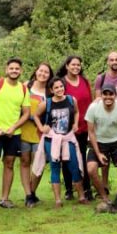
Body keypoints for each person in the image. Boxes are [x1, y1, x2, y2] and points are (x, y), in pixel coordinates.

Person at [0, 58, 31, 211]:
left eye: (17, 69)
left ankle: (4, 198)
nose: (14, 71)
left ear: (21, 71)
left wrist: (14, 127)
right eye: (12, 68)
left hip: (13, 134)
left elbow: (26, 113)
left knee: (9, 164)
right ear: (6, 69)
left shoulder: (23, 89)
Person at [32, 78, 86, 207]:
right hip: (52, 139)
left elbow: (77, 112)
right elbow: (35, 115)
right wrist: (41, 127)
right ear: (51, 90)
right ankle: (57, 200)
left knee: (75, 166)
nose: (59, 89)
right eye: (56, 88)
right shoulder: (47, 103)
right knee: (55, 168)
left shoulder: (71, 100)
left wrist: (76, 123)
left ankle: (82, 197)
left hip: (68, 138)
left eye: (61, 86)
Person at [85, 82, 117, 212]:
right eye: (105, 94)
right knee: (91, 169)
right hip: (99, 141)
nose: (108, 97)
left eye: (111, 94)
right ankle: (104, 197)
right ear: (101, 95)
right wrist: (98, 152)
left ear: (115, 95)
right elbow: (91, 132)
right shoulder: (93, 108)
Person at [57, 55, 94, 201]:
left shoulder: (85, 81)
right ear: (66, 66)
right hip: (67, 127)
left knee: (82, 158)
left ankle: (86, 188)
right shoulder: (61, 83)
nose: (76, 67)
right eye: (73, 64)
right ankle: (69, 189)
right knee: (66, 157)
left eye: (78, 65)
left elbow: (90, 103)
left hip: (84, 125)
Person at [19, 62, 52, 207]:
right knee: (25, 161)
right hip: (23, 130)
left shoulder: (49, 92)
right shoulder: (26, 86)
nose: (43, 74)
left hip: (40, 132)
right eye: (41, 71)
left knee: (39, 163)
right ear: (36, 71)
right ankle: (28, 194)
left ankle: (32, 192)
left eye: (46, 72)